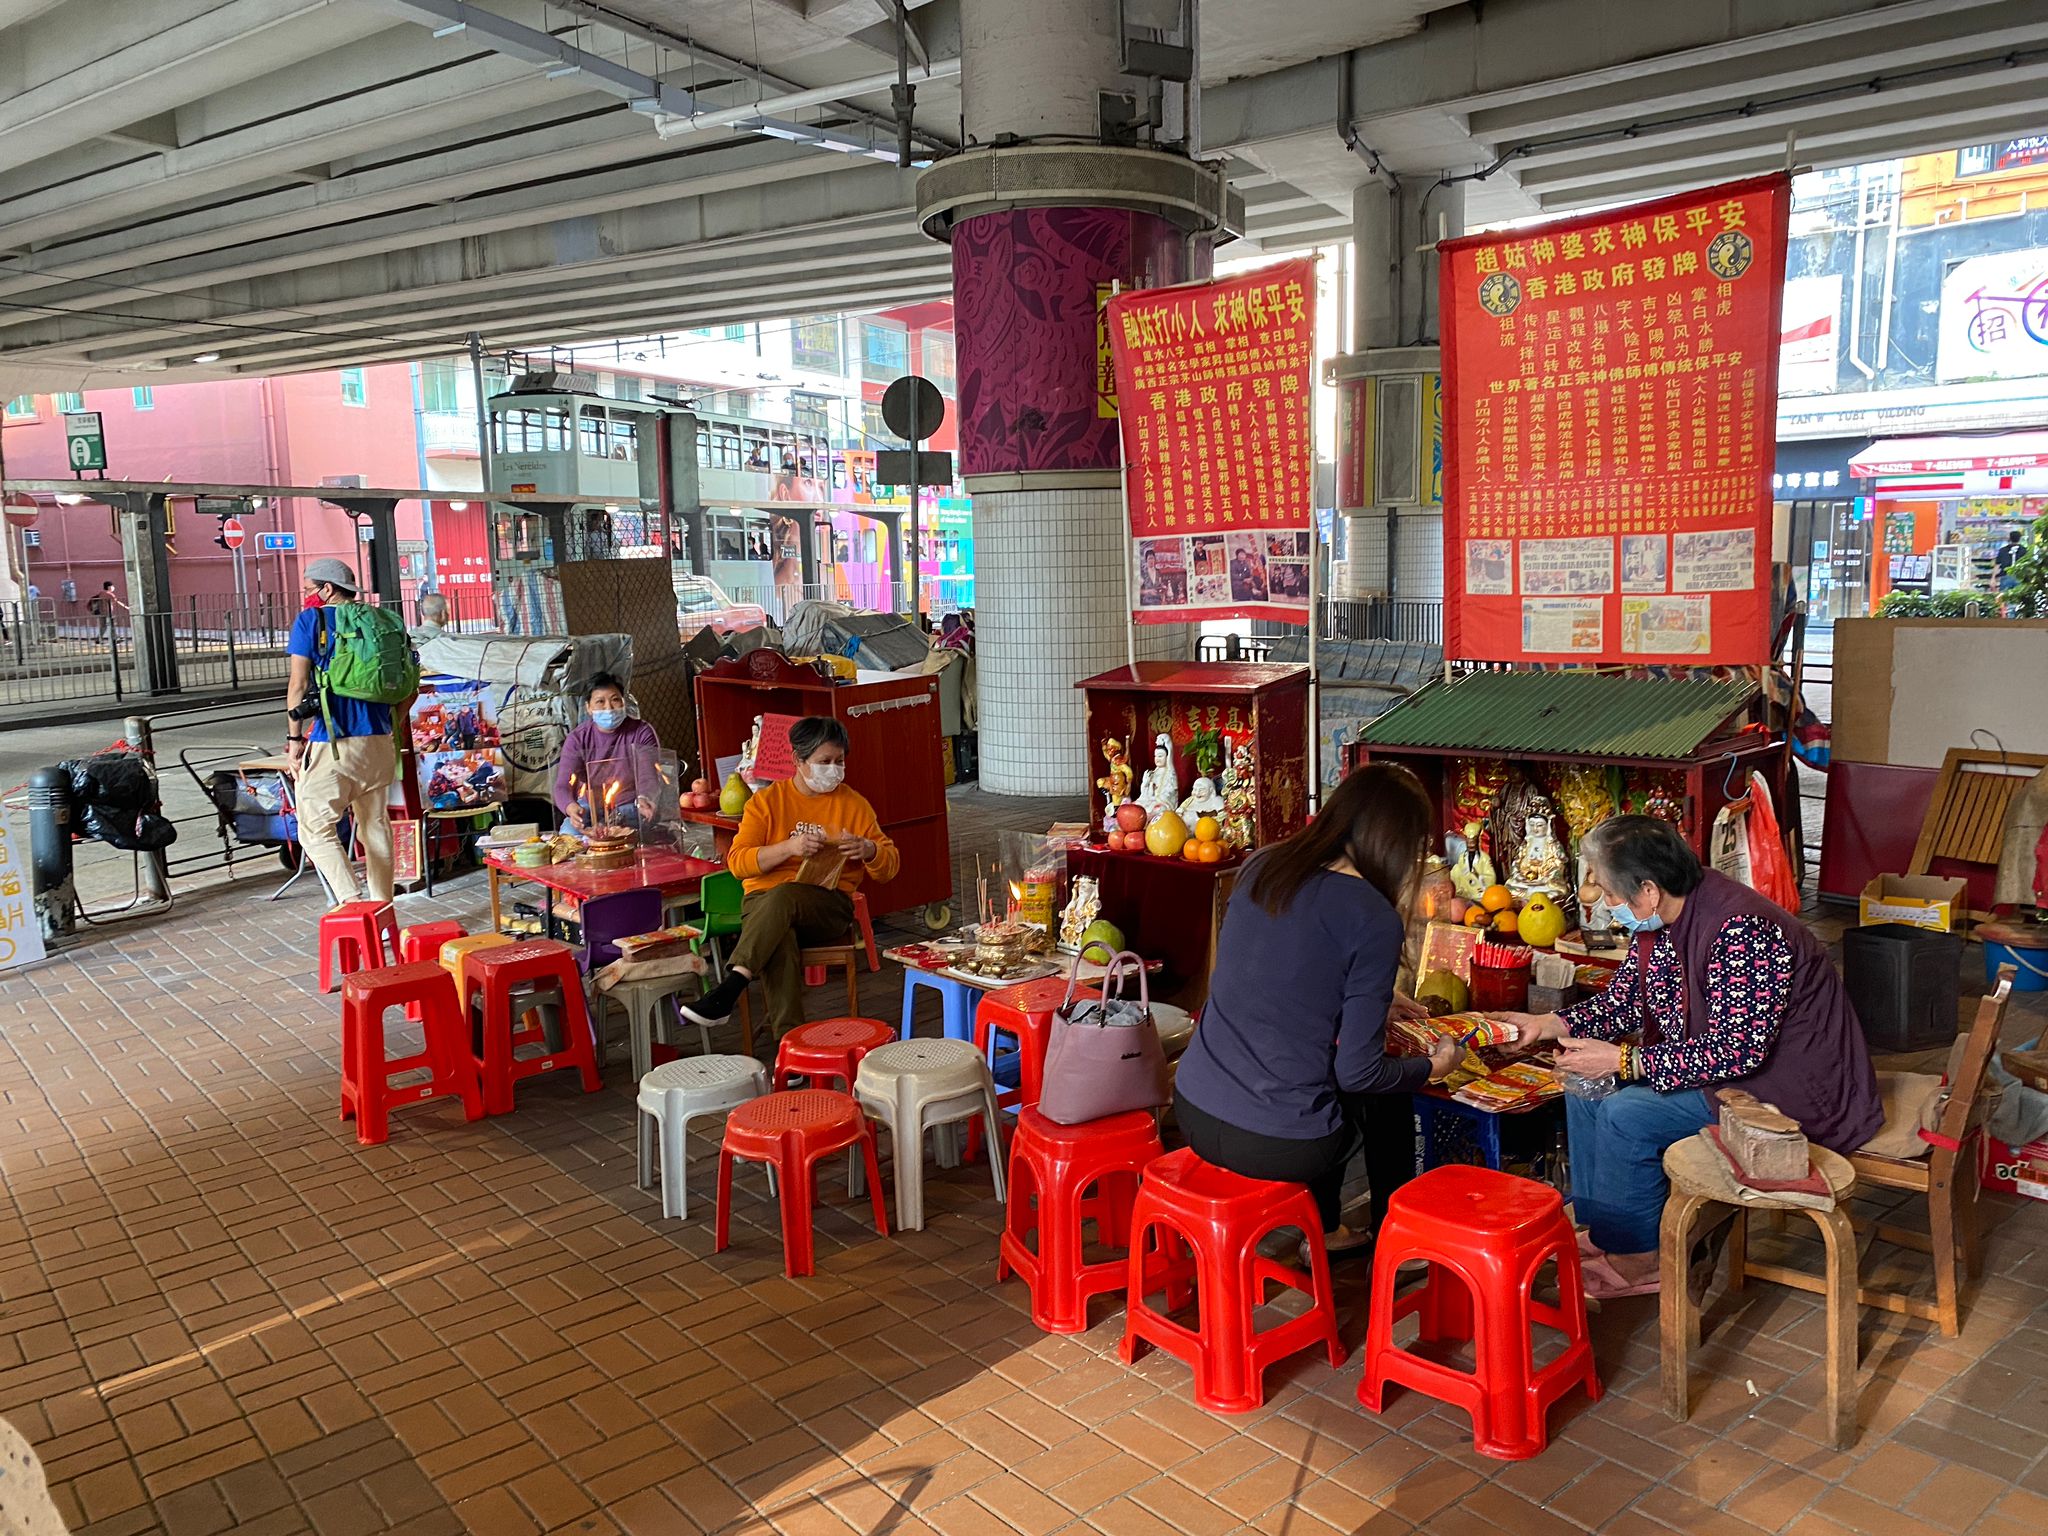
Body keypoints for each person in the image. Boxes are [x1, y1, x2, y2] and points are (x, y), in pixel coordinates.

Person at [1494, 816, 1881, 1298]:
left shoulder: (1743, 929)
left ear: (1649, 891)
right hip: (1717, 1070)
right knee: (1584, 1090)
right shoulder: (1662, 920)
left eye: (1612, 894)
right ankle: (1609, 1234)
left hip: (1786, 1088)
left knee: (1623, 1112)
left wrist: (1624, 1063)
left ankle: (1642, 1259)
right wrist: (1551, 1026)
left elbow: (1738, 1050)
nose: (1607, 905)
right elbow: (1626, 1001)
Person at [1173, 762, 1461, 1252]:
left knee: (1321, 1068)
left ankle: (1326, 1228)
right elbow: (1359, 1073)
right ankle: (1398, 1243)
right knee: (1386, 1088)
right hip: (1273, 1143)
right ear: (1395, 845)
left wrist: (1373, 997)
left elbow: (1269, 970)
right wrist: (1433, 1066)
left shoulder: (1266, 863)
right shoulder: (1372, 916)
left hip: (1193, 1107)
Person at [682, 716, 898, 1036]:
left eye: (839, 761)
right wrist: (789, 847)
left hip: (827, 906)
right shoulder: (766, 803)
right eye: (824, 761)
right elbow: (738, 863)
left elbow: (889, 867)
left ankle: (732, 983)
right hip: (764, 906)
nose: (834, 769)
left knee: (783, 897)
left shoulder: (854, 804)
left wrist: (869, 850)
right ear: (798, 761)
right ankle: (790, 1045)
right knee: (779, 930)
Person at [285, 558, 416, 908]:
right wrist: (390, 728)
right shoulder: (385, 622)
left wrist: (295, 741)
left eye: (310, 588)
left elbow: (298, 684)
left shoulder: (311, 620)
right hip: (379, 743)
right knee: (375, 825)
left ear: (327, 589)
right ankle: (383, 909)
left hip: (335, 741)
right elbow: (411, 687)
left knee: (313, 828)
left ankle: (353, 904)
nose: (308, 595)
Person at [553, 673, 662, 830]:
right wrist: (571, 808)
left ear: (624, 702)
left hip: (630, 806)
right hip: (588, 807)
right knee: (569, 835)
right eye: (600, 702)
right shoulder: (577, 738)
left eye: (615, 700)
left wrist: (644, 798)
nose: (609, 708)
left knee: (624, 835)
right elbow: (562, 785)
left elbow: (648, 775)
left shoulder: (641, 731)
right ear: (588, 708)